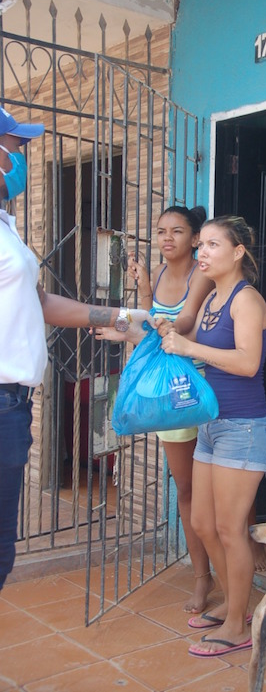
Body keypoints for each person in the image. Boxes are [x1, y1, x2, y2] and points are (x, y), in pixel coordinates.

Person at [0, 106, 152, 591]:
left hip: (13, 404)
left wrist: (121, 317)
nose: (21, 155)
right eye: (15, 145)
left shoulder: (5, 225)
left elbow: (37, 300)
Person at [159, 215, 266, 657]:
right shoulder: (211, 295)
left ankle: (237, 625)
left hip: (245, 428)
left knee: (231, 530)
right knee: (204, 524)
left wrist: (191, 349)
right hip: (213, 424)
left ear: (238, 252)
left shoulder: (246, 300)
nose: (201, 252)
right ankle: (235, 605)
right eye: (201, 245)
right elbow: (181, 331)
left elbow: (247, 363)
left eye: (211, 245)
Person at [98, 204, 218, 614]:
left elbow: (184, 320)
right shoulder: (162, 272)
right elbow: (149, 318)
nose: (167, 239)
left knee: (223, 483)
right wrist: (136, 303)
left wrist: (164, 327)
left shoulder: (202, 271)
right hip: (172, 401)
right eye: (161, 231)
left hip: (205, 391)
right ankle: (203, 576)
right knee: (185, 488)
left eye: (177, 232)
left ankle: (239, 553)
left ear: (195, 237)